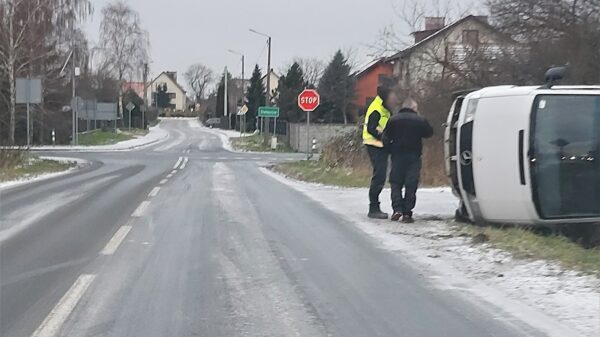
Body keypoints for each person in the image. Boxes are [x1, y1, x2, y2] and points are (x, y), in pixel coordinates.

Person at [383, 98, 434, 223]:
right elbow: (429, 133)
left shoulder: (393, 119)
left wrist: (390, 150)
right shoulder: (420, 120)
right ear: (413, 108)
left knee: (396, 183)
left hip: (397, 156)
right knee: (411, 184)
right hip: (413, 156)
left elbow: (386, 136)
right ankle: (407, 213)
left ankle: (397, 210)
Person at [363, 85, 399, 219]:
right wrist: (383, 136)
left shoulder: (385, 108)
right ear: (386, 97)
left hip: (381, 145)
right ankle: (373, 208)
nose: (394, 99)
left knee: (381, 175)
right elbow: (372, 128)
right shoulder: (377, 109)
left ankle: (375, 206)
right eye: (392, 96)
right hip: (374, 145)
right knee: (379, 175)